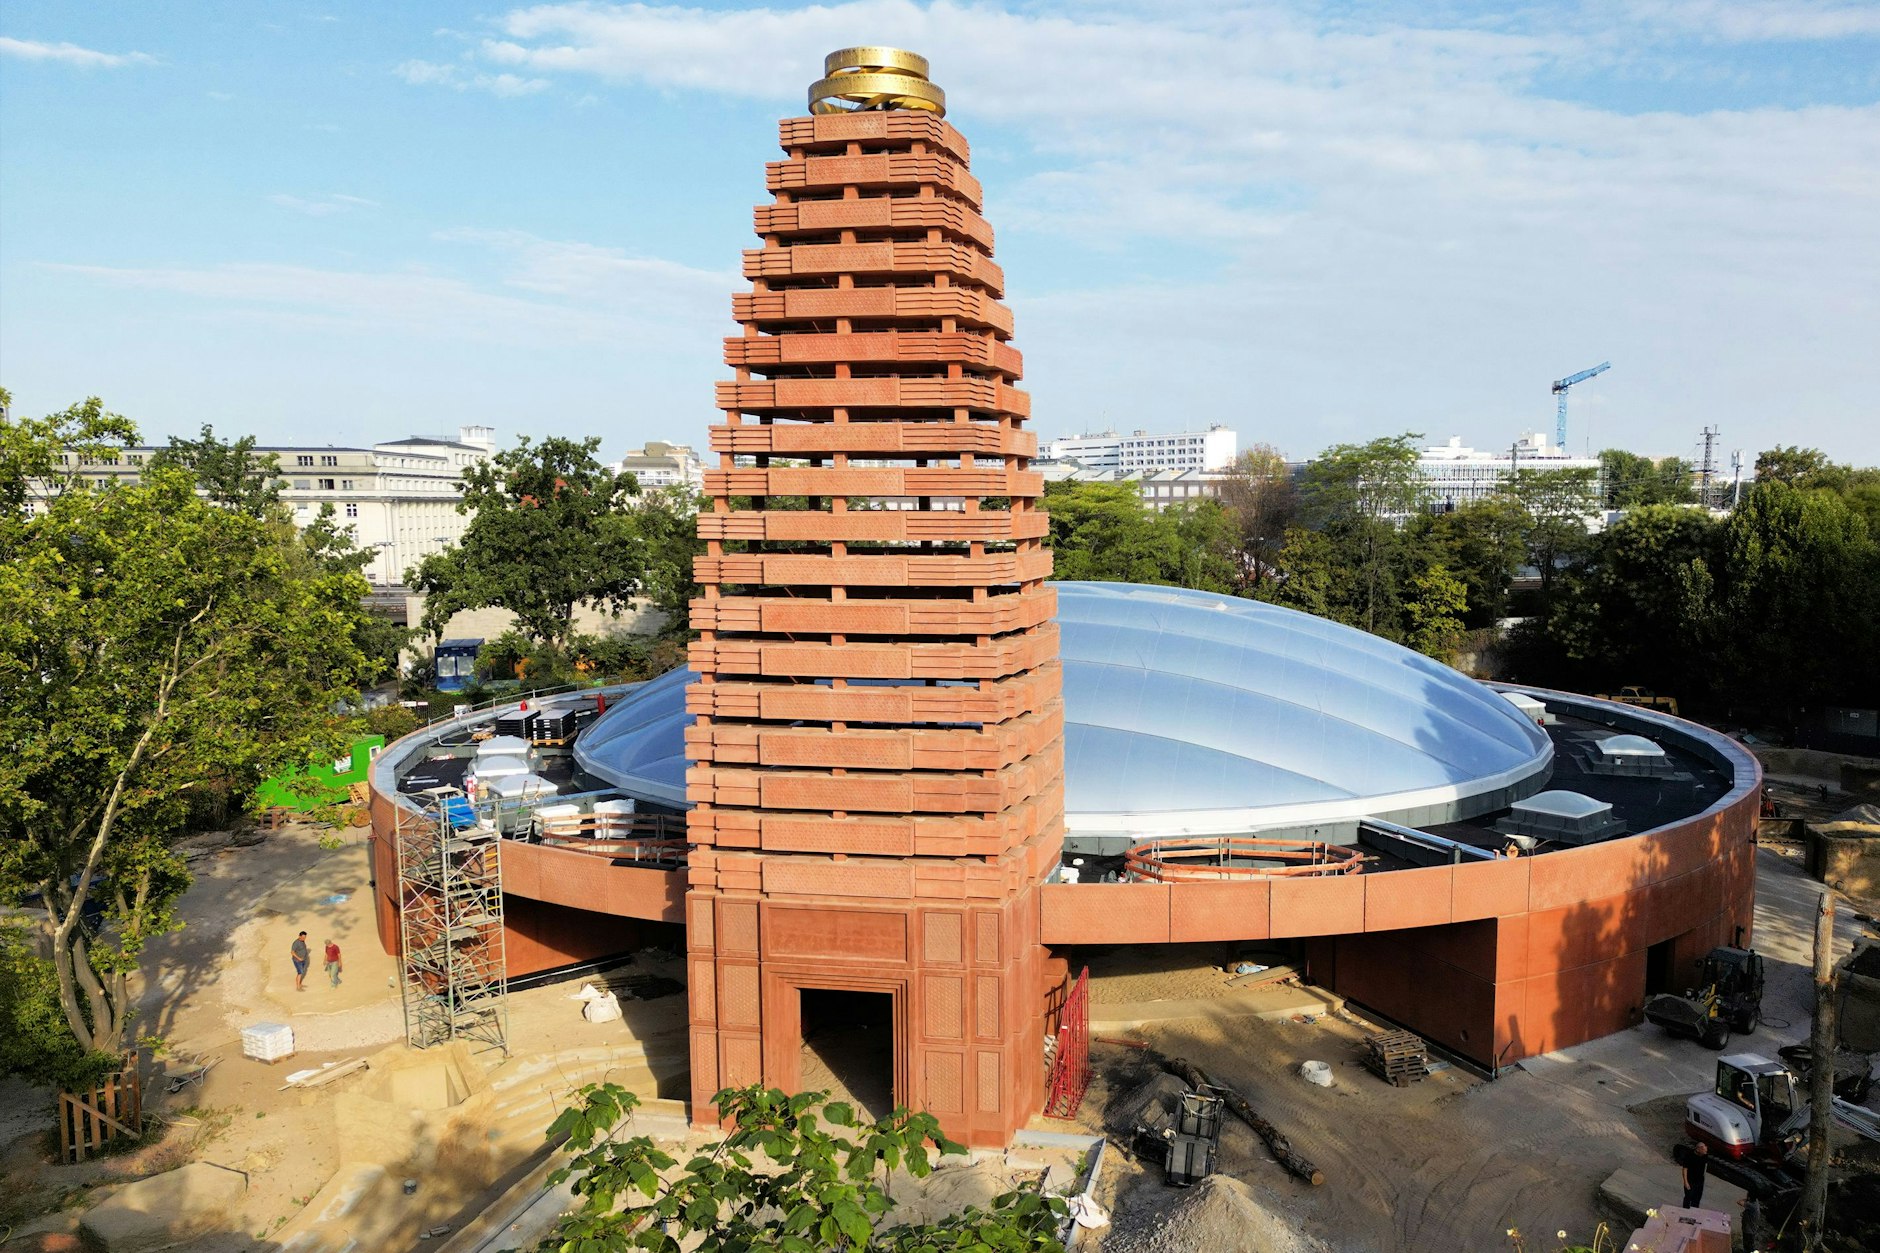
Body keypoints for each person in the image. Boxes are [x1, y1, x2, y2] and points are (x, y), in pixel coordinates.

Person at [1673, 1139, 1708, 1209]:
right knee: (1688, 1197)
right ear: (1698, 1149)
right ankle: (1685, 1210)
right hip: (1690, 1181)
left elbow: (1705, 1165)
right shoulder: (1689, 1156)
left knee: (1697, 1198)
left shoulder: (1705, 1155)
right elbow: (1685, 1169)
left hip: (1700, 1181)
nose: (1705, 1151)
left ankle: (1694, 1211)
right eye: (1704, 1149)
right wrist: (1686, 1182)